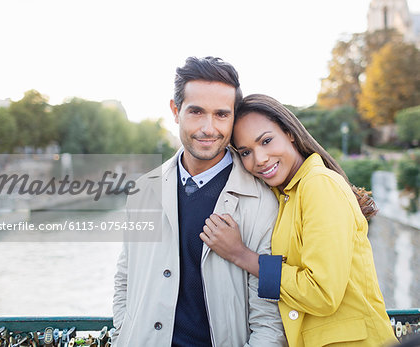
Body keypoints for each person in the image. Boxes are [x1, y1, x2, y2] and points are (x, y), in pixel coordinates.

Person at [112, 59, 287, 346]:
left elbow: (269, 316)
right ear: (175, 111)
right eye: (196, 112)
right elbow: (125, 279)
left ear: (233, 118)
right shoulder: (143, 190)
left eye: (221, 114)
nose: (209, 128)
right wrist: (123, 335)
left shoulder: (262, 201)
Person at [201, 94, 399, 347]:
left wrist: (241, 255)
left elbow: (322, 293)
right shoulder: (285, 195)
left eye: (267, 141)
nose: (259, 159)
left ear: (290, 133)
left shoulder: (318, 184)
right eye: (246, 152)